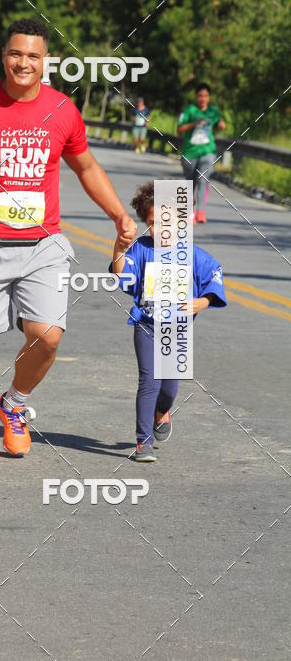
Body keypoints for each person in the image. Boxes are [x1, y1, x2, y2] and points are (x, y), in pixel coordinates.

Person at [0, 17, 137, 461]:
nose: (23, 63)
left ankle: (14, 405)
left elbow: (87, 167)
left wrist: (118, 214)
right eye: (16, 54)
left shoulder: (62, 110)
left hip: (43, 244)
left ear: (46, 60)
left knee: (48, 336)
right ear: (3, 56)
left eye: (33, 56)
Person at [111, 180, 227, 463]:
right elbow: (122, 275)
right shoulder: (141, 249)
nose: (159, 229)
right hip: (147, 325)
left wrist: (203, 301)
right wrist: (119, 249)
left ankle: (162, 411)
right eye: (152, 223)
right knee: (149, 381)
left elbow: (215, 274)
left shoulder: (193, 256)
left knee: (169, 388)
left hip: (177, 331)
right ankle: (143, 442)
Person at [176, 83, 225, 224]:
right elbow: (179, 130)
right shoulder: (189, 111)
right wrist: (194, 123)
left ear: (209, 97)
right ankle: (189, 211)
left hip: (208, 151)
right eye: (200, 96)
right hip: (190, 152)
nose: (203, 99)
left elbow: (220, 123)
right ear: (196, 97)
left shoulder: (213, 111)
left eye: (206, 96)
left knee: (203, 179)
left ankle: (201, 212)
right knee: (190, 181)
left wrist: (221, 125)